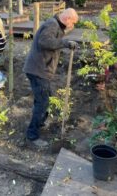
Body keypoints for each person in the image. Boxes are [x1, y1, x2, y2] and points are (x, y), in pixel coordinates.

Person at [23, 8, 79, 148]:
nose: (73, 26)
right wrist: (65, 43)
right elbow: (44, 41)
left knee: (45, 98)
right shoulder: (52, 24)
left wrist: (65, 36)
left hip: (39, 69)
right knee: (42, 103)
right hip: (38, 70)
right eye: (73, 23)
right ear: (67, 19)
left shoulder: (55, 25)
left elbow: (54, 37)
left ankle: (40, 122)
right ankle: (32, 135)